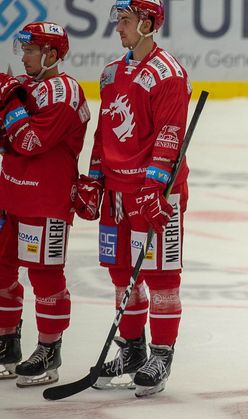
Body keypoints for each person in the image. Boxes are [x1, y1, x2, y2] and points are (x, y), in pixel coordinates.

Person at [75, 0, 191, 398]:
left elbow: (170, 133)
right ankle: (132, 350)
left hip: (155, 193)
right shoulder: (110, 74)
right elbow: (104, 133)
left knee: (160, 276)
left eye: (124, 21)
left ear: (147, 22)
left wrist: (154, 187)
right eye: (118, 21)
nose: (118, 29)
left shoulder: (168, 73)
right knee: (121, 272)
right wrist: (94, 178)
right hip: (117, 193)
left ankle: (161, 353)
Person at [0, 22, 90, 387]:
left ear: (51, 54)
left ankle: (49, 349)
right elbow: (6, 140)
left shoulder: (65, 91)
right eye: (24, 51)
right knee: (1, 268)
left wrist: (10, 105)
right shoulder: (26, 86)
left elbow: (30, 141)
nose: (24, 57)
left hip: (47, 196)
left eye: (31, 51)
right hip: (10, 191)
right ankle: (7, 343)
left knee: (44, 276)